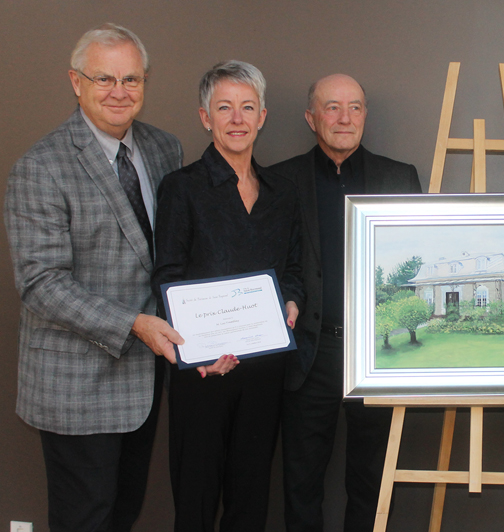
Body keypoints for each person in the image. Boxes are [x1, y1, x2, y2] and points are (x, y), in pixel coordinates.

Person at [3, 23, 184, 532]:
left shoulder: (164, 150)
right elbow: (41, 283)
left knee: (123, 513)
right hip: (76, 386)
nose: (120, 91)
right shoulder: (40, 167)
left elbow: (172, 254)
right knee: (85, 520)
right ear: (75, 82)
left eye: (131, 79)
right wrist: (136, 324)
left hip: (144, 381)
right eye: (104, 78)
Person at [151, 60, 304, 532]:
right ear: (205, 117)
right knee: (195, 502)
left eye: (247, 108)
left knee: (250, 499)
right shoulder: (183, 188)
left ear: (262, 116)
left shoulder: (282, 192)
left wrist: (292, 301)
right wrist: (194, 352)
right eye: (224, 108)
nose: (236, 119)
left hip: (263, 370)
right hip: (203, 373)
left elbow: (294, 269)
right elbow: (168, 275)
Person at [268, 73, 421, 532]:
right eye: (332, 107)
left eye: (355, 107)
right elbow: (271, 265)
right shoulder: (279, 180)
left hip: (378, 353)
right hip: (310, 354)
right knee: (300, 482)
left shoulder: (399, 177)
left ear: (366, 116)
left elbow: (417, 258)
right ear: (311, 118)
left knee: (372, 481)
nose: (344, 118)